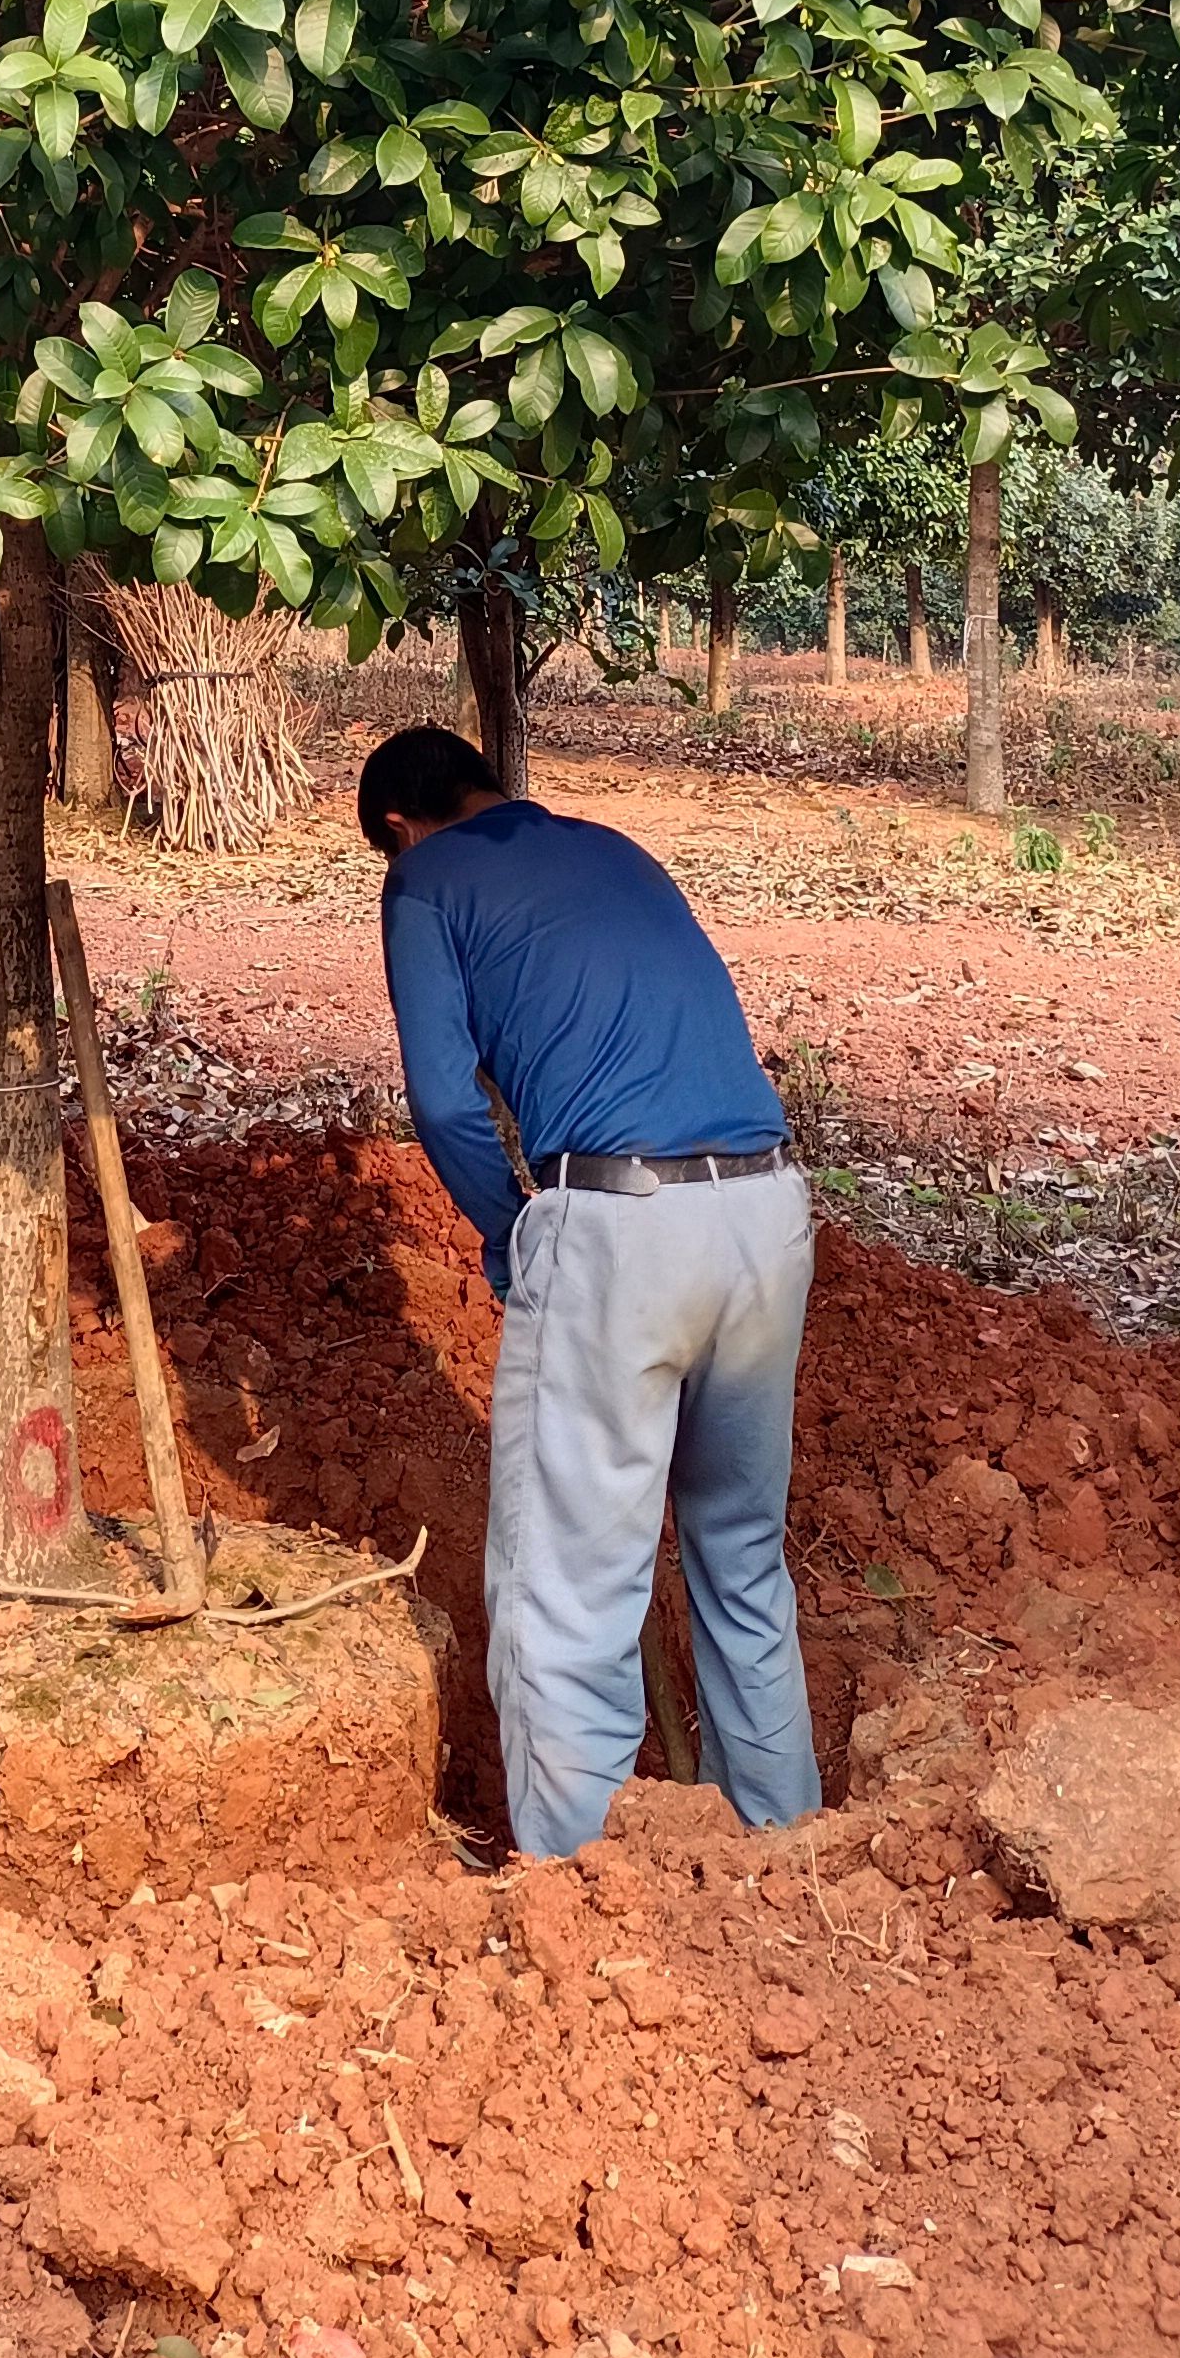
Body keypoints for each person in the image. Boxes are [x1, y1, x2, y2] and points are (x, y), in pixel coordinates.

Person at [361, 720, 819, 1857]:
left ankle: (585, 1891)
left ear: (398, 827)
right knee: (742, 1559)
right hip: (768, 1212)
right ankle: (783, 1860)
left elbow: (443, 1103)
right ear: (488, 786)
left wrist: (515, 1227)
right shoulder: (613, 847)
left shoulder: (423, 878)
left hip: (622, 1227)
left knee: (568, 1591)